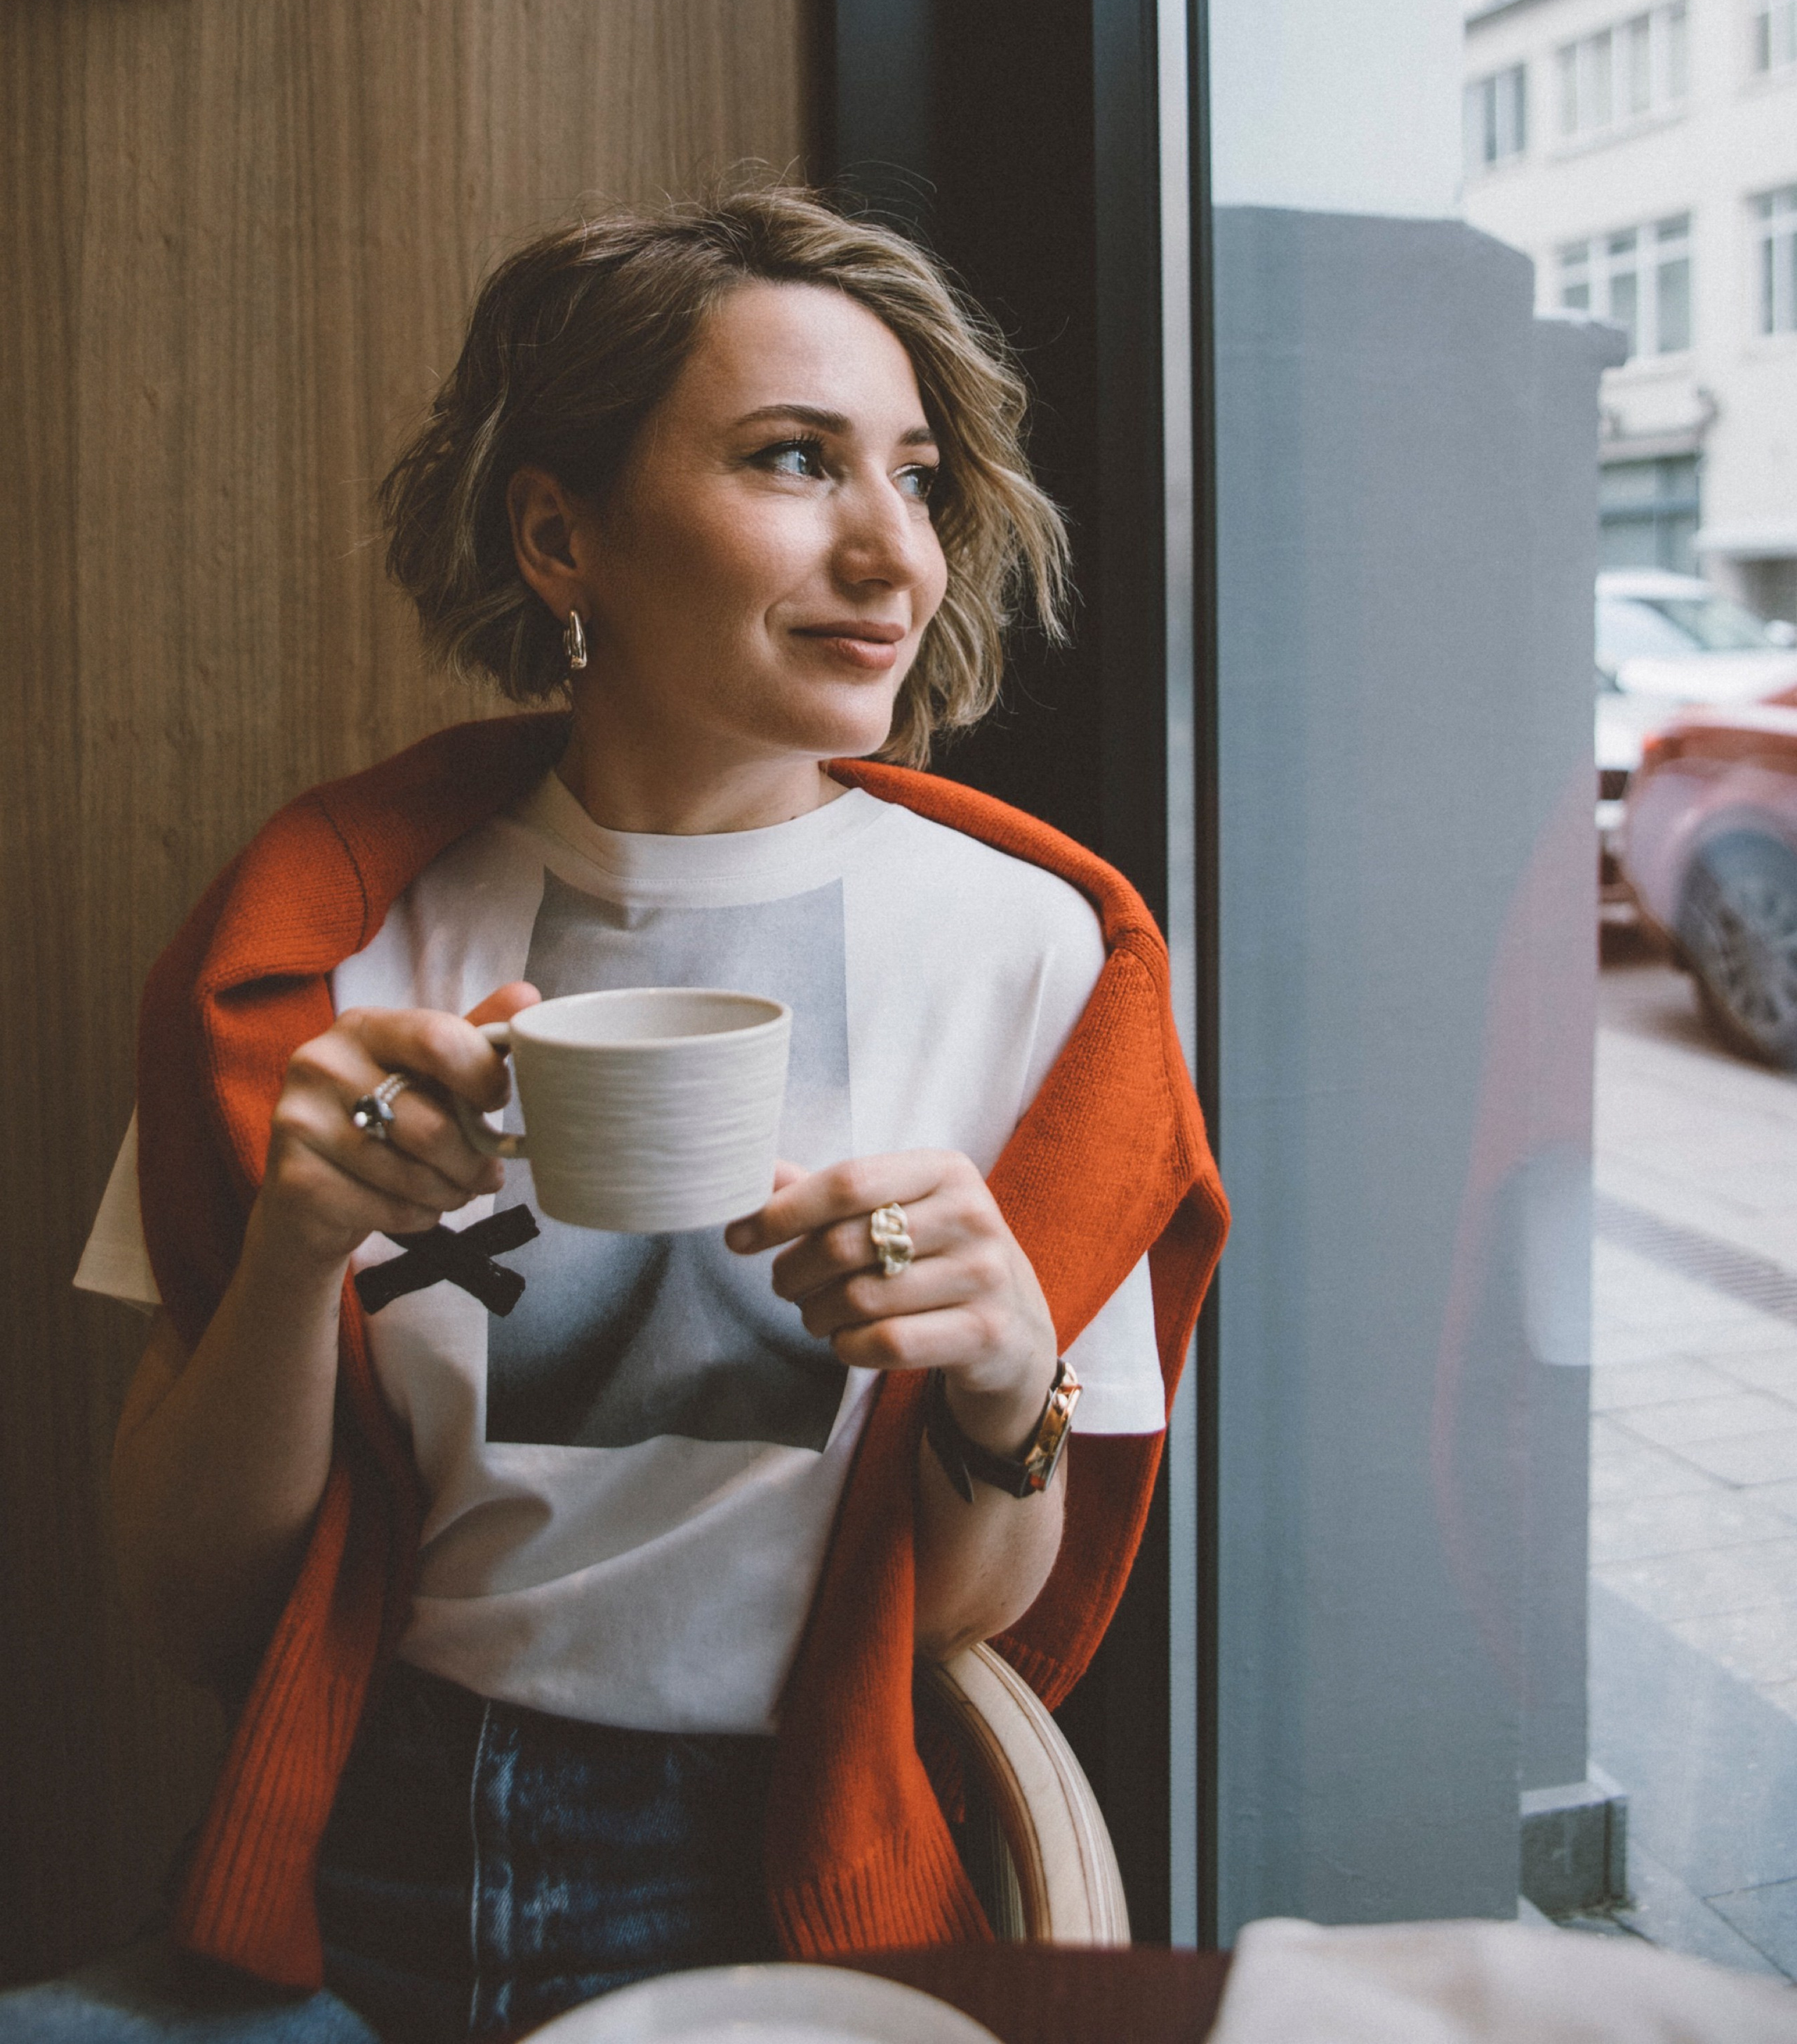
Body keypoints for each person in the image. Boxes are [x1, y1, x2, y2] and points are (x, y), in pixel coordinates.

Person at [18, 184, 1226, 2041]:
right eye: (792, 461)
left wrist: (1003, 1388)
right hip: (362, 1863)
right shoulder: (322, 940)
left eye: (912, 477)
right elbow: (196, 1602)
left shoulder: (1048, 961)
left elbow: (965, 1617)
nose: (891, 555)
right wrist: (295, 1254)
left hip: (777, 1889)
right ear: (560, 533)